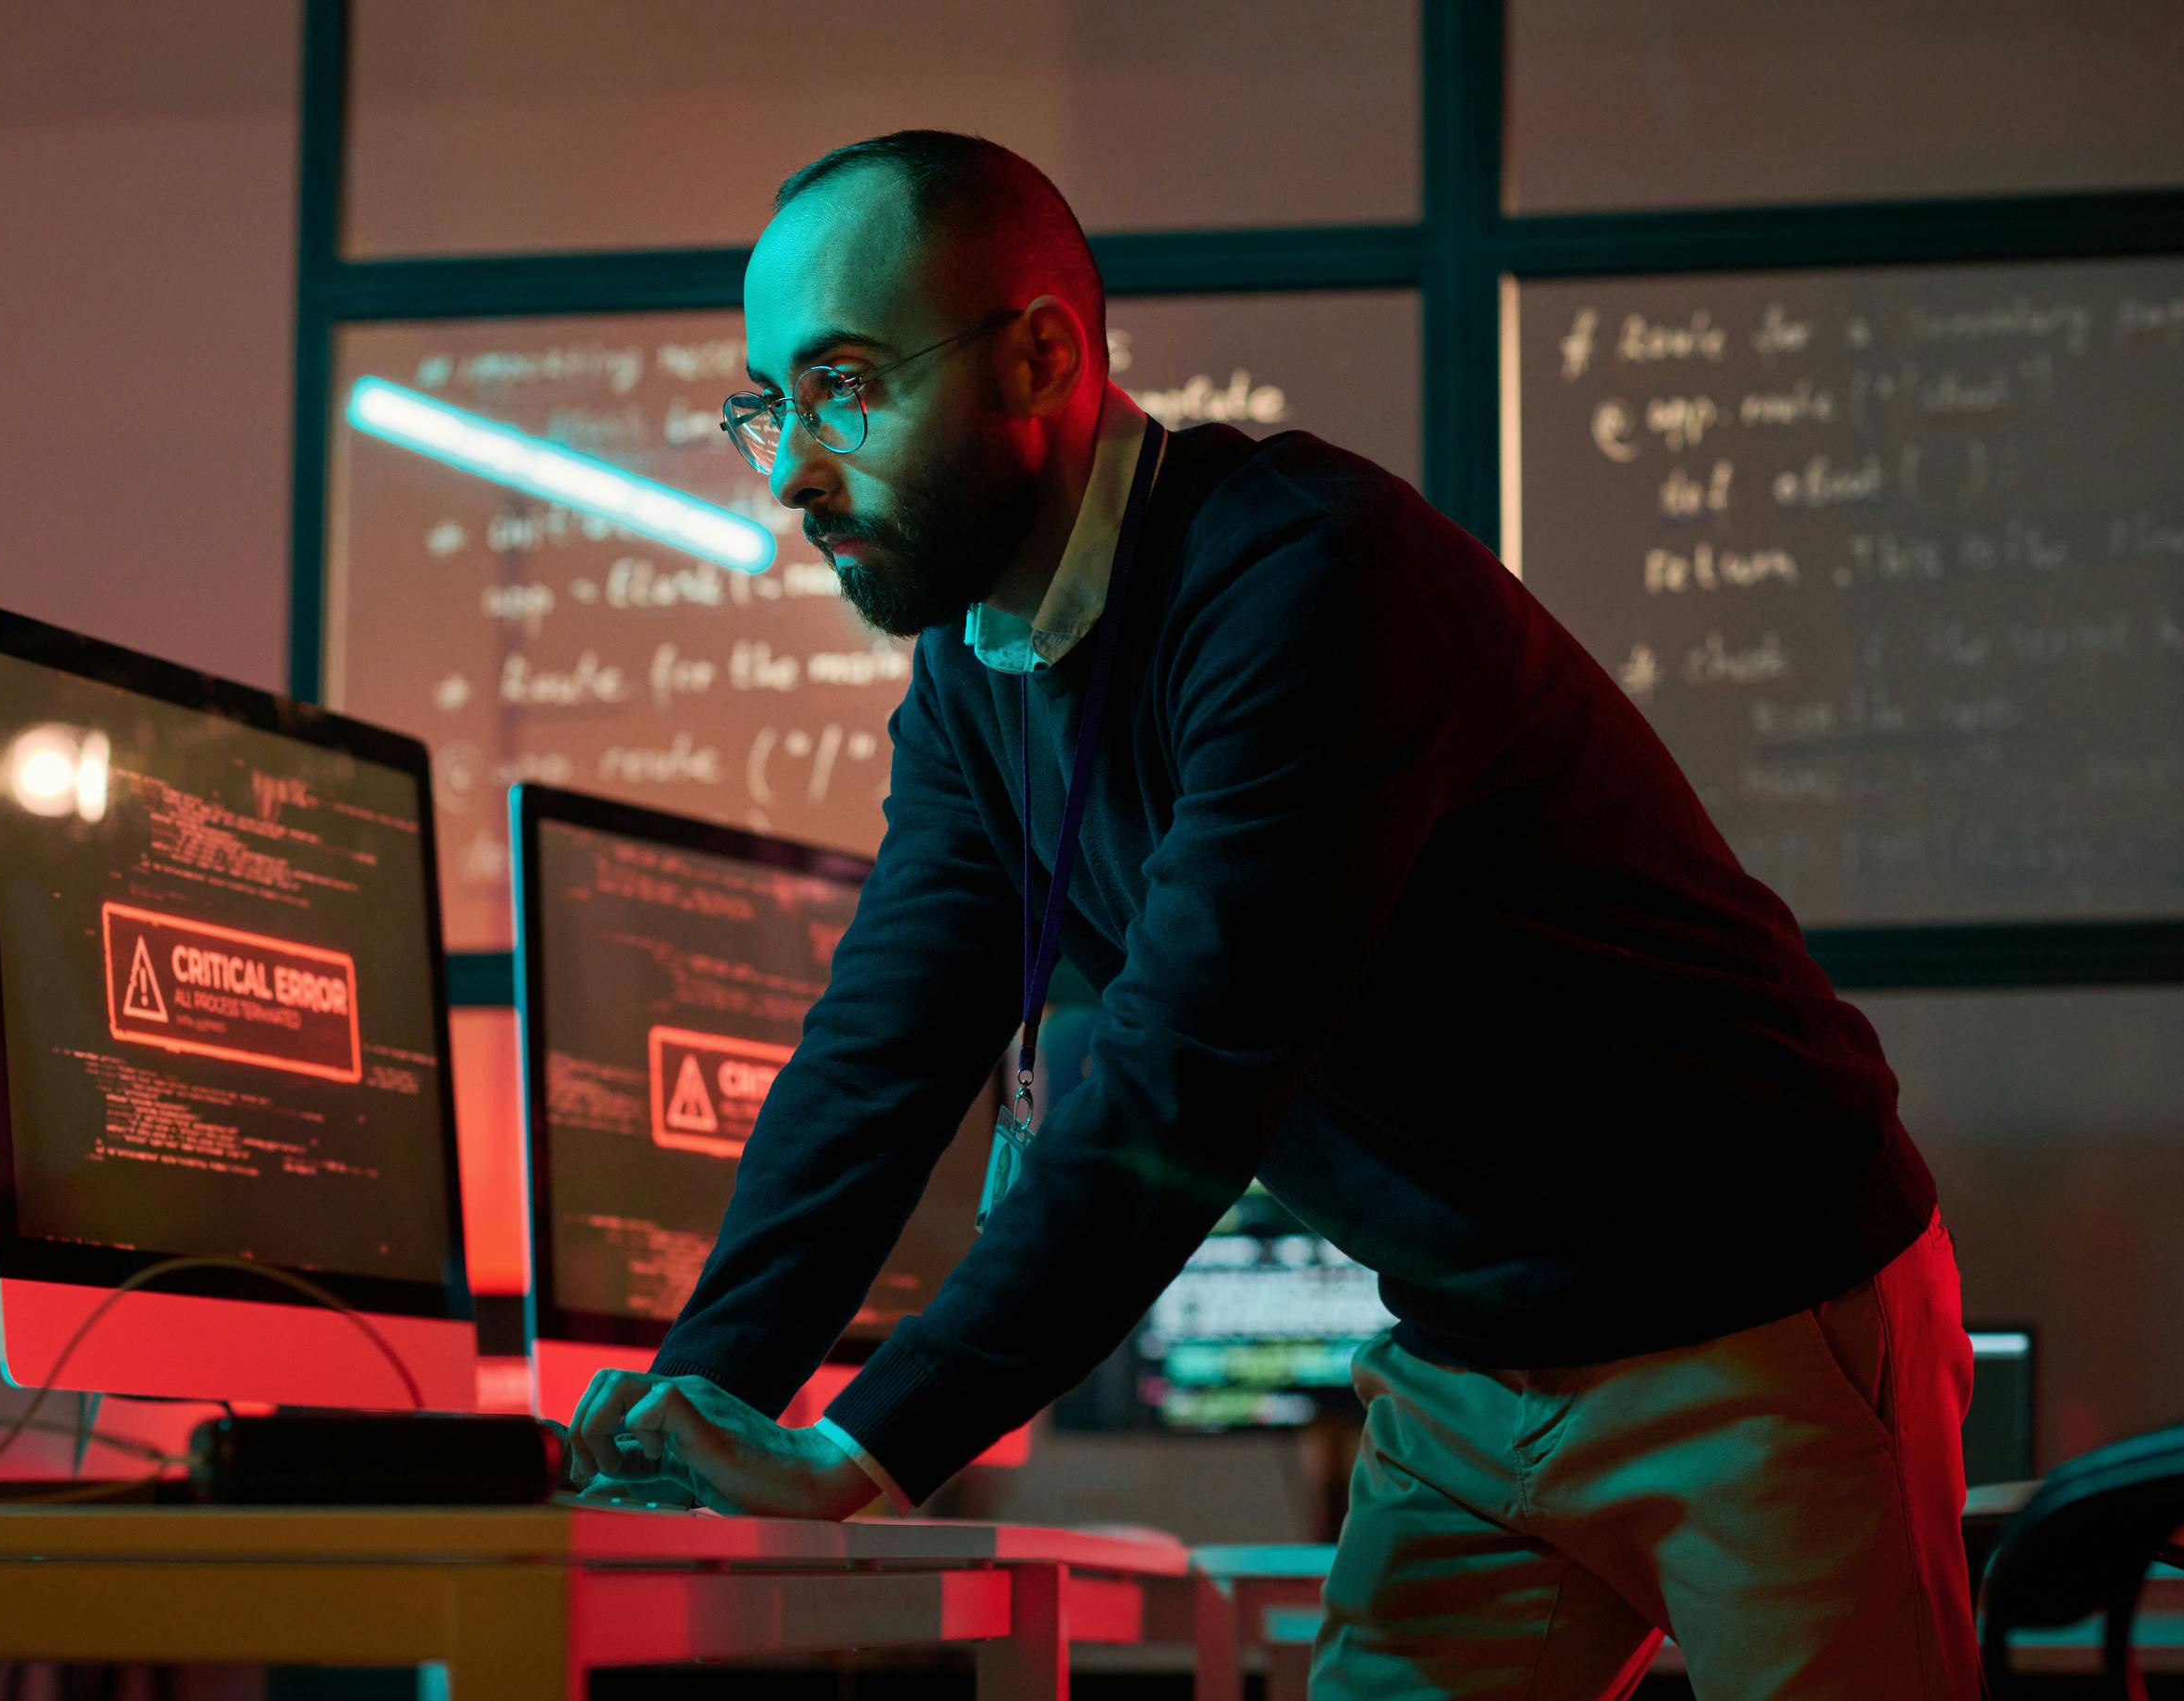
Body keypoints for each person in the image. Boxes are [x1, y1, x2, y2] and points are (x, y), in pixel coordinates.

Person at [562, 129, 1977, 1699]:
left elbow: (1187, 1071)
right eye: (769, 404)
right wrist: (685, 1418)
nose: (792, 469)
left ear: (1039, 356)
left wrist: (862, 1447)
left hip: (1756, 1308)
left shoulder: (1303, 578)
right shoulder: (976, 670)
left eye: (842, 386)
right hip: (1466, 1363)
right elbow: (877, 1059)